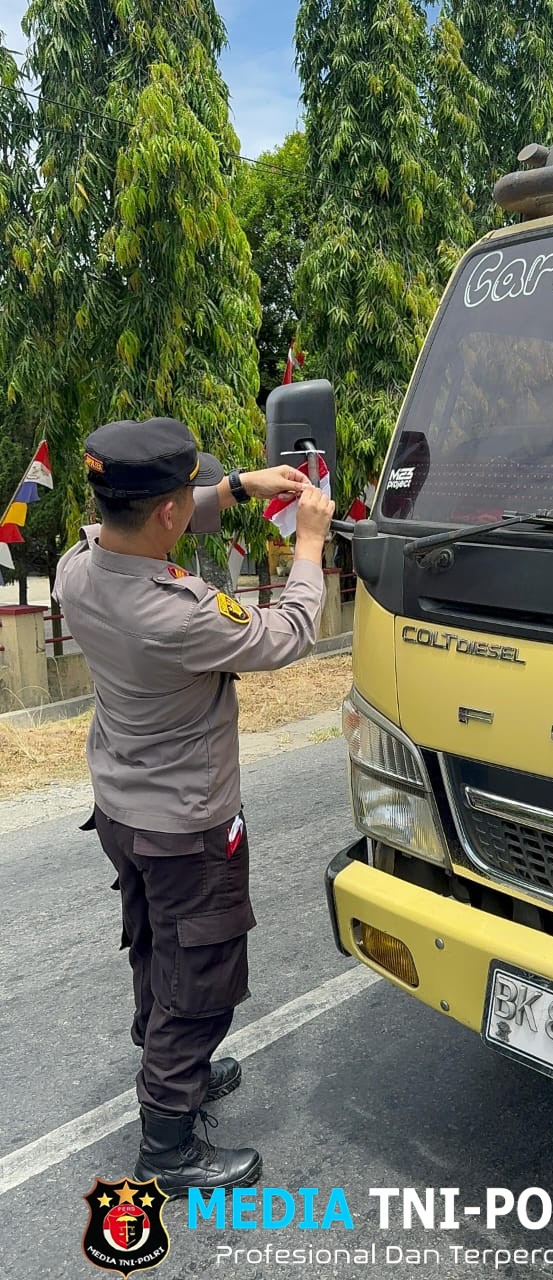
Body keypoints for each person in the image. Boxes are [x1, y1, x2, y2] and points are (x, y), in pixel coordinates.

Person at [54, 416, 334, 1197]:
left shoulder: (78, 566)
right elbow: (289, 633)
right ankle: (168, 1150)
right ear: (170, 513)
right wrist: (309, 543)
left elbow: (158, 519)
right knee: (201, 979)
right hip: (186, 827)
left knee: (158, 949)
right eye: (188, 496)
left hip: (124, 810)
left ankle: (173, 1065)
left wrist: (238, 488)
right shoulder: (179, 614)